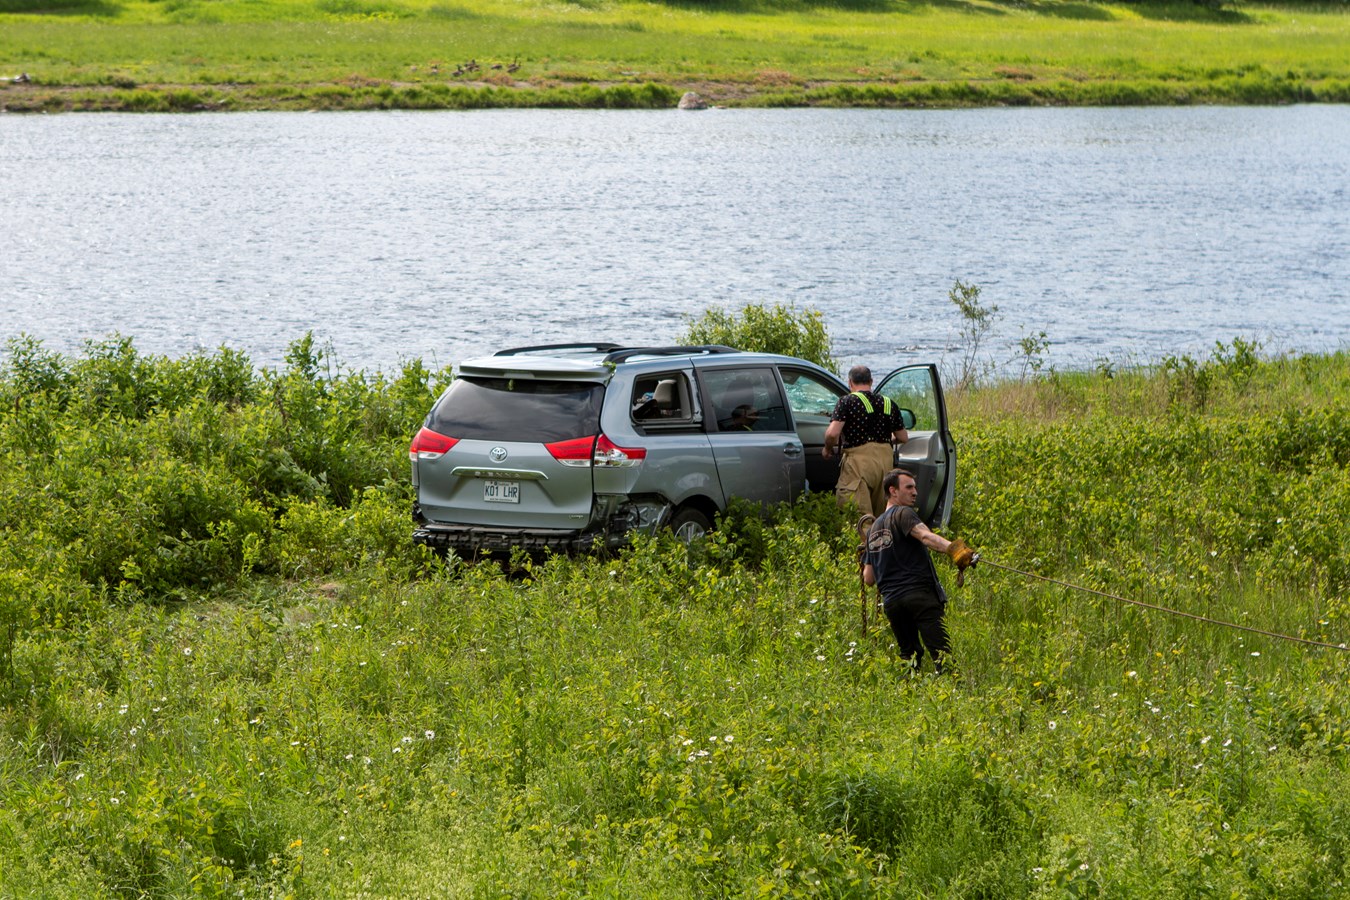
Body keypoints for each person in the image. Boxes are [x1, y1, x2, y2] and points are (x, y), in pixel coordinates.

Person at [863, 468, 977, 675]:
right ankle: (952, 694)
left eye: (915, 487)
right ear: (893, 491)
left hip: (893, 603)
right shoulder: (903, 513)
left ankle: (909, 696)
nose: (915, 492)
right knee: (941, 653)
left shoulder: (873, 530)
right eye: (909, 487)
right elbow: (925, 536)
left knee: (909, 654)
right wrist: (956, 550)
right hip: (919, 595)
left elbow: (868, 578)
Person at [822, 365, 908, 520]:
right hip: (885, 463)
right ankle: (883, 543)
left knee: (858, 516)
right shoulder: (889, 403)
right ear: (871, 381)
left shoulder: (847, 401)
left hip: (859, 463)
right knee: (881, 515)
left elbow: (833, 433)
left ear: (850, 383)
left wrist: (827, 448)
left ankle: (862, 544)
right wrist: (887, 440)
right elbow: (903, 437)